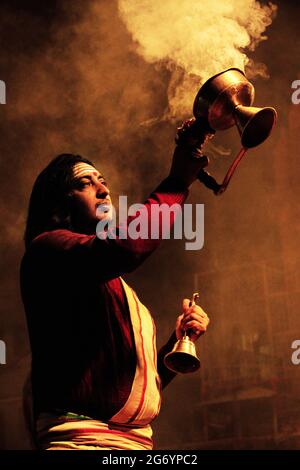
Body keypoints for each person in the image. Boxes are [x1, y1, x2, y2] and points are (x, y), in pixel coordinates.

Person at [20, 118, 213, 450]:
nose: (104, 189)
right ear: (58, 203)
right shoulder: (48, 249)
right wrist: (177, 181)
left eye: (103, 180)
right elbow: (126, 247)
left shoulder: (112, 282)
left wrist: (176, 343)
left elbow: (127, 385)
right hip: (83, 442)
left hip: (131, 446)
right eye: (85, 182)